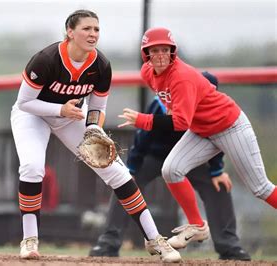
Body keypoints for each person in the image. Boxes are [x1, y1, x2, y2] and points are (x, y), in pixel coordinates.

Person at [10, 10, 181, 263]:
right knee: (32, 167)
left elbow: (97, 108)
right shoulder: (46, 59)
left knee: (117, 172)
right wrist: (60, 109)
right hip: (33, 115)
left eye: (96, 29)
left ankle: (155, 239)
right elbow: (24, 103)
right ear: (70, 32)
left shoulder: (101, 65)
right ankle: (30, 240)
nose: (92, 34)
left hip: (73, 118)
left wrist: (93, 130)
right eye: (86, 29)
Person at [117, 27, 277, 250]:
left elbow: (180, 122)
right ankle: (197, 225)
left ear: (173, 52)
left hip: (230, 126)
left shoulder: (181, 77)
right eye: (155, 50)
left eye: (166, 49)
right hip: (202, 130)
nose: (161, 55)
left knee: (261, 188)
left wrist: (143, 120)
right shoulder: (148, 73)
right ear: (146, 55)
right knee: (171, 170)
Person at [90, 73, 251, 261]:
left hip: (192, 157)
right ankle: (109, 242)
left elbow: (217, 137)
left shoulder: (211, 109)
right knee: (123, 182)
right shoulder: (161, 104)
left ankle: (229, 247)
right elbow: (142, 138)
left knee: (219, 184)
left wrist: (217, 171)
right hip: (155, 154)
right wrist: (131, 170)